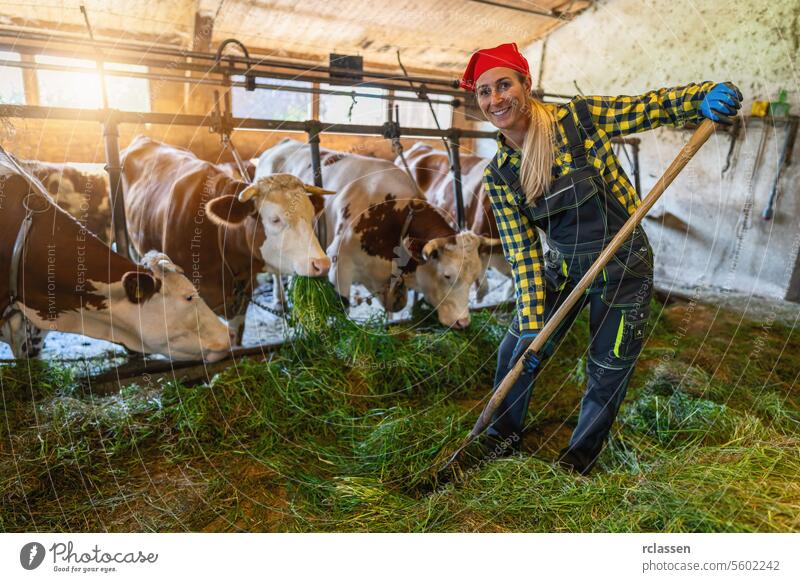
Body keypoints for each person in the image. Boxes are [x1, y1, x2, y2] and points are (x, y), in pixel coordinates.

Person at [460, 42, 741, 475]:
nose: (496, 99)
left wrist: (700, 96)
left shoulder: (579, 121)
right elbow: (522, 254)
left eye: (504, 85)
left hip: (623, 264)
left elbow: (648, 108)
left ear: (526, 85)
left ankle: (580, 456)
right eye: (484, 92)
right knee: (515, 349)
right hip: (564, 267)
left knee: (609, 363)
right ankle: (500, 436)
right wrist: (535, 326)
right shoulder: (499, 175)